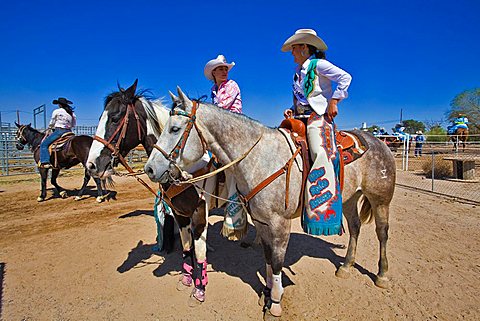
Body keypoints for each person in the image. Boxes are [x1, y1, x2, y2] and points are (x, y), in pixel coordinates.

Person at [282, 29, 352, 236]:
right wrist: (291, 110)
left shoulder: (319, 65)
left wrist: (334, 100)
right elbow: (302, 98)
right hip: (299, 116)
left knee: (319, 152)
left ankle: (323, 208)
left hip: (317, 117)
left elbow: (345, 77)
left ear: (304, 47)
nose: (292, 52)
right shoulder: (297, 71)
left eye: (294, 48)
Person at [204, 54, 247, 240]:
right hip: (220, 131)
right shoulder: (214, 89)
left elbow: (221, 109)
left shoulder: (232, 85)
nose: (224, 71)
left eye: (225, 69)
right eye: (220, 69)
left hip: (234, 127)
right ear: (213, 73)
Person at [39, 97, 76, 168]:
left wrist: (50, 128)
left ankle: (45, 162)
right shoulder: (72, 114)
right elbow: (73, 125)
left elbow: (52, 122)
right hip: (69, 132)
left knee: (44, 144)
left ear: (59, 104)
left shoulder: (57, 111)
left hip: (59, 131)